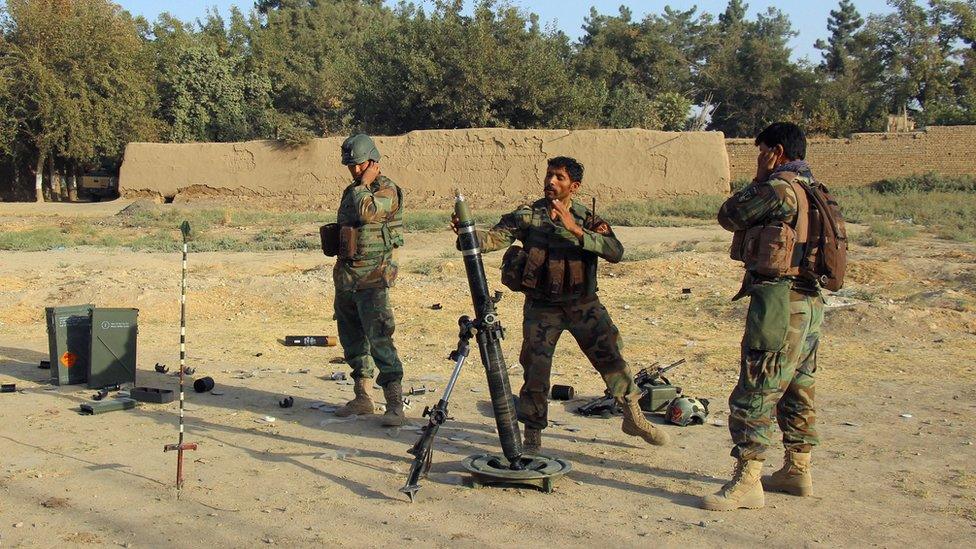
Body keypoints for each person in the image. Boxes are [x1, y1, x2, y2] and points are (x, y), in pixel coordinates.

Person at [452, 156, 670, 453]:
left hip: (584, 305)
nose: (551, 182)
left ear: (574, 186)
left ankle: (632, 416)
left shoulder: (588, 219)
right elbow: (492, 239)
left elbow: (616, 251)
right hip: (543, 309)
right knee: (536, 372)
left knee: (612, 359)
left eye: (559, 178)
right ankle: (532, 437)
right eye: (549, 175)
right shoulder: (529, 215)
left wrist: (577, 231)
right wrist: (466, 232)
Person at [702, 122, 826, 511]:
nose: (758, 158)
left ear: (776, 152)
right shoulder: (815, 190)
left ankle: (748, 479)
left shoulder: (778, 190)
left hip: (779, 304)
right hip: (810, 303)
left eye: (761, 151)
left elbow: (730, 215)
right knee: (797, 387)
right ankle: (797, 469)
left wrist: (759, 178)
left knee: (756, 388)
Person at [331, 134, 407, 427]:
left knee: (380, 339)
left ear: (373, 161)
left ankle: (395, 404)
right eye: (350, 166)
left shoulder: (385, 189)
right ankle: (362, 397)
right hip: (348, 277)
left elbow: (368, 212)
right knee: (352, 339)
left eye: (359, 165)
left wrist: (363, 186)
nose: (354, 171)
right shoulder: (352, 190)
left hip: (374, 276)